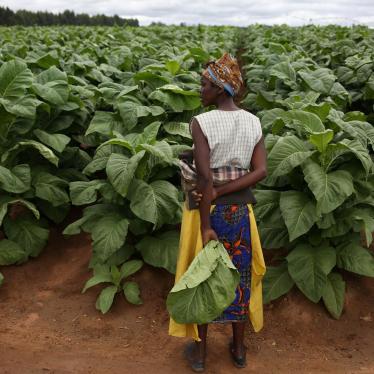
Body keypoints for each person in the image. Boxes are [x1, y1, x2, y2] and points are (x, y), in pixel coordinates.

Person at [169, 53, 267, 372]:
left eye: (205, 84)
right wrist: (229, 191)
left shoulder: (202, 122)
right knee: (238, 277)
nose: (200, 89)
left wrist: (206, 222)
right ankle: (238, 348)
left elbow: (206, 177)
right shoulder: (253, 122)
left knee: (203, 277)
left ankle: (199, 353)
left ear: (221, 87)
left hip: (206, 211)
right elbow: (261, 170)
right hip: (239, 211)